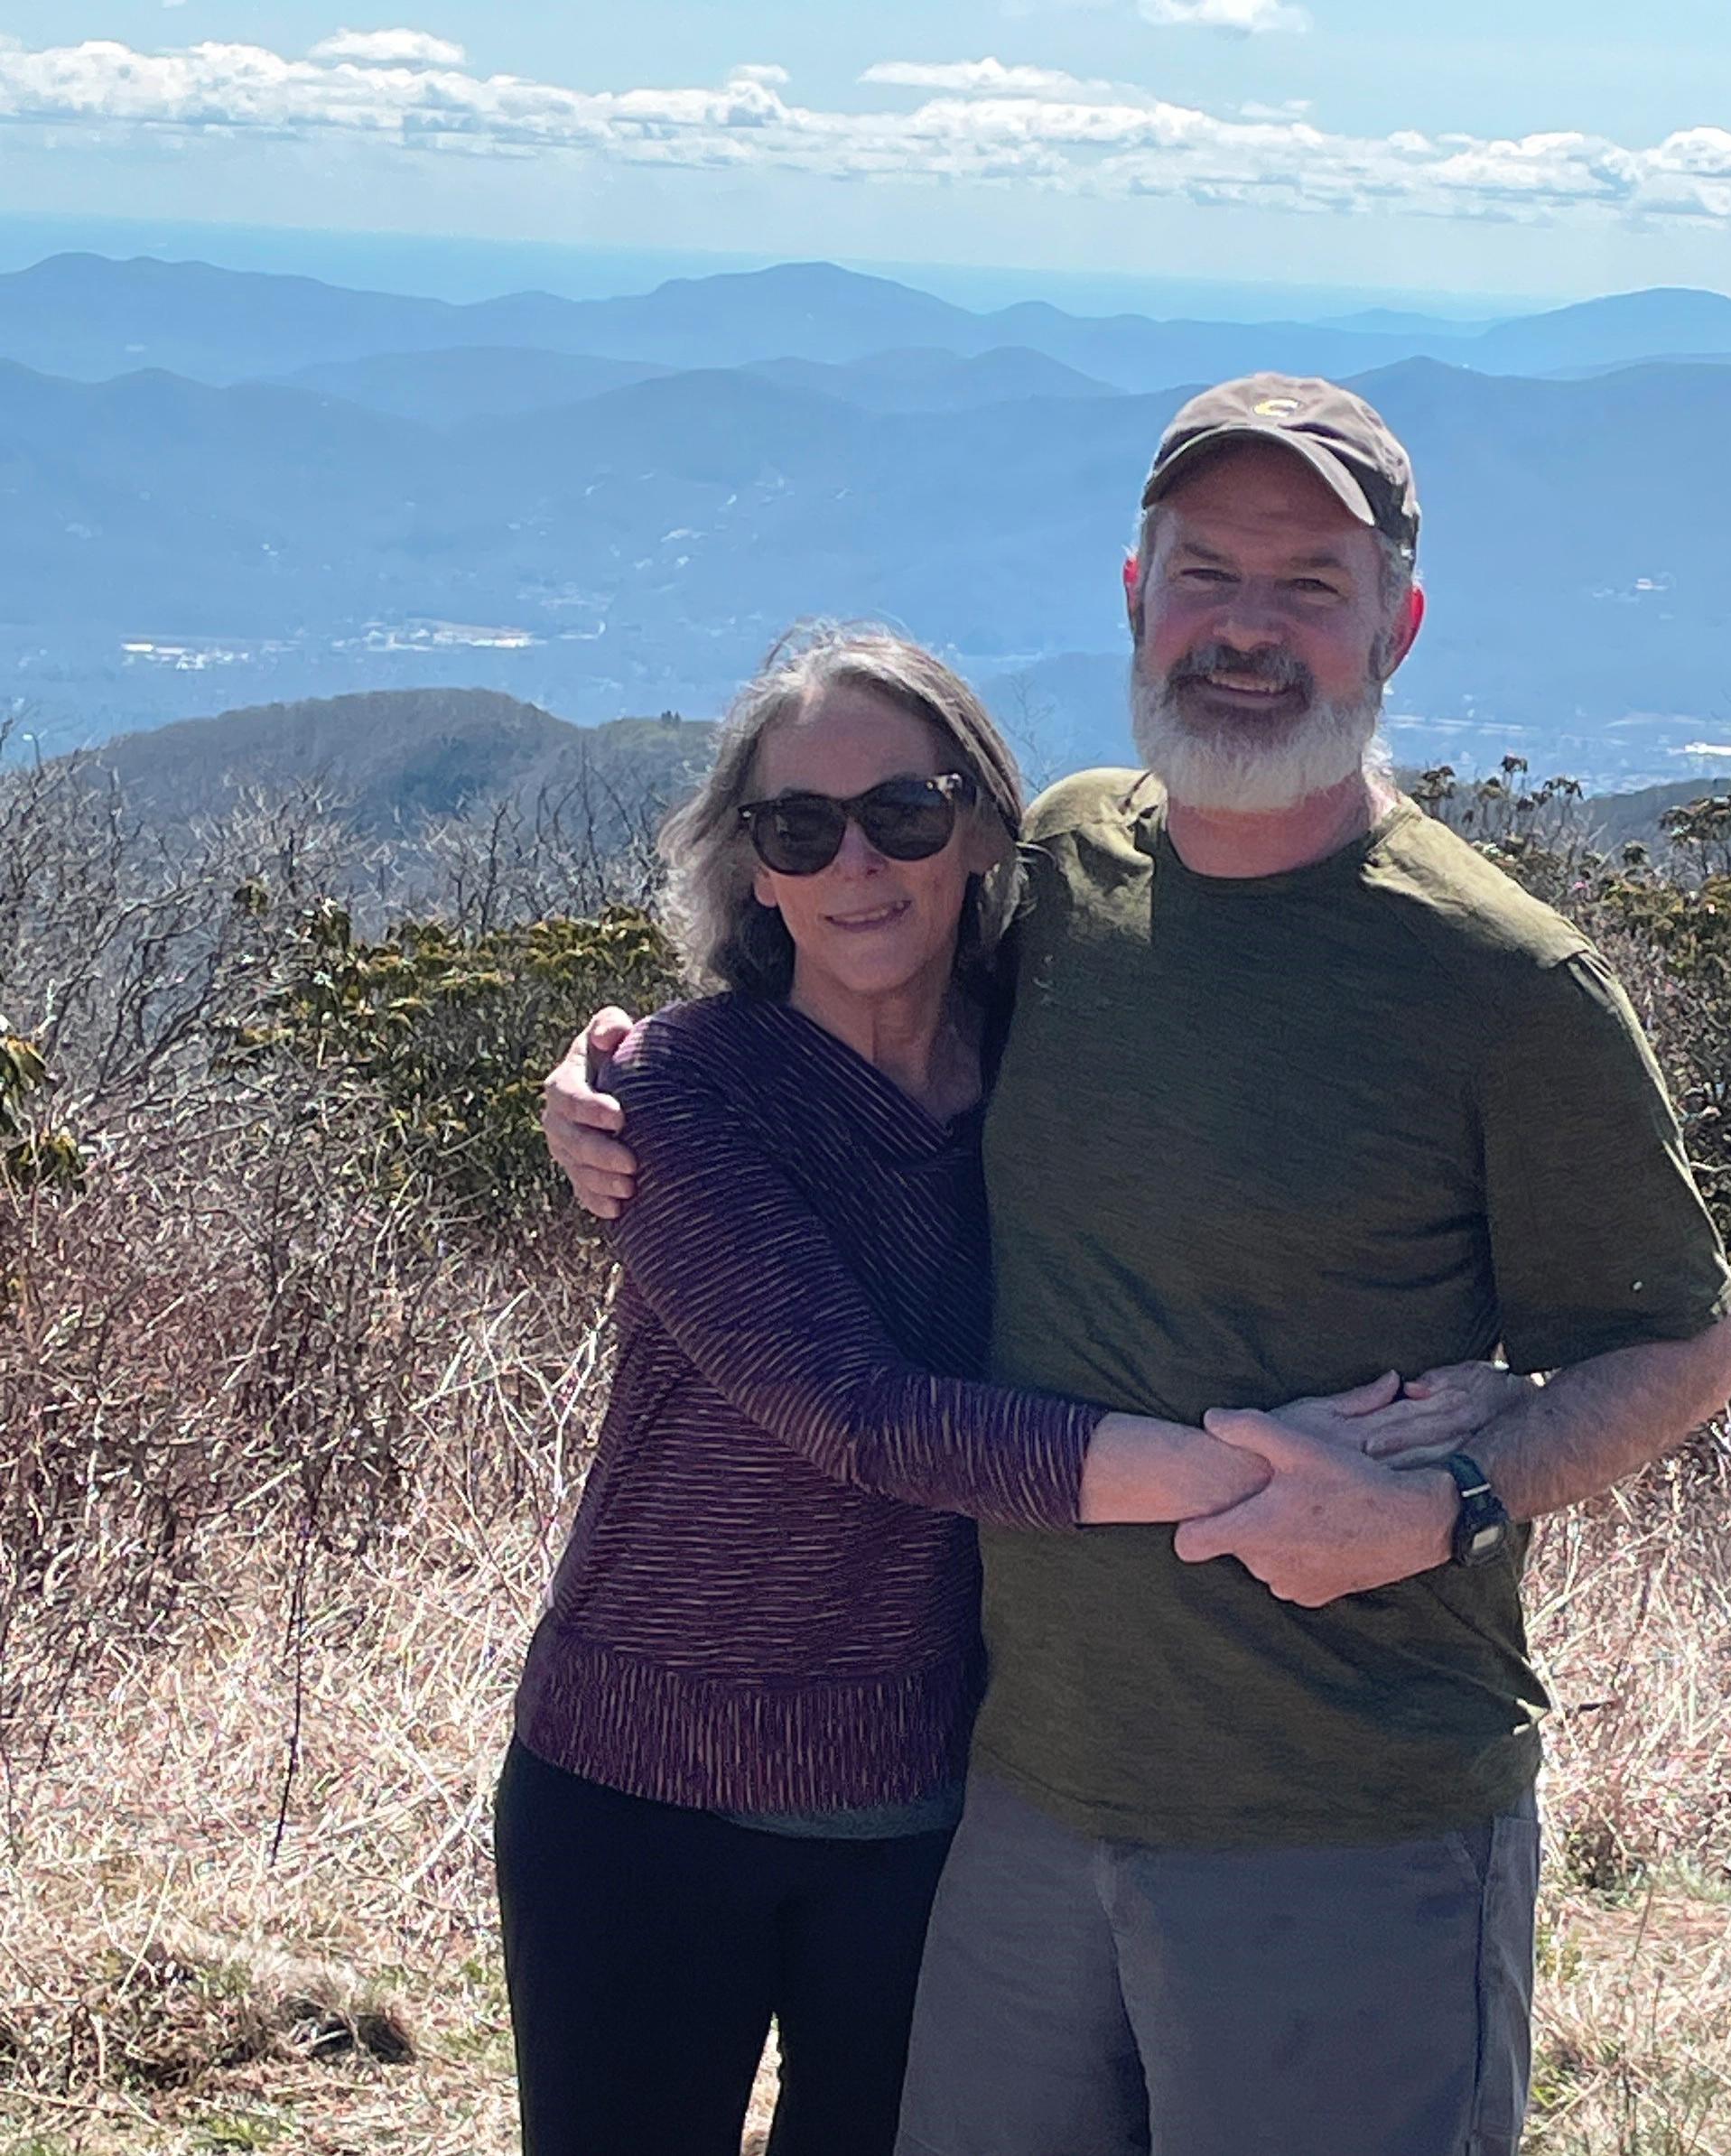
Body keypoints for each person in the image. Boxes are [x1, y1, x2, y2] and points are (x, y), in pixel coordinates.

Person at [544, 376, 1731, 2156]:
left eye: (1310, 584)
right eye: (1207, 573)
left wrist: (1438, 1509)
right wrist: (614, 1077)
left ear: (1394, 625)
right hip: (1017, 1801)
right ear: (1134, 593)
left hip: (1344, 1814)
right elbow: (851, 1039)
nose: (1247, 629)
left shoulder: (1504, 980)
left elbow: (1686, 1346)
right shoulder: (1071, 871)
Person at [498, 624, 1447, 2156]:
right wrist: (1251, 1477)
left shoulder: (1050, 1073)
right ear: (752, 868)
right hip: (639, 1788)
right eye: (799, 827)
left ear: (989, 826)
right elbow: (857, 1417)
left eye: (906, 813)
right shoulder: (681, 1092)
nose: (855, 863)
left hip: (930, 1799)